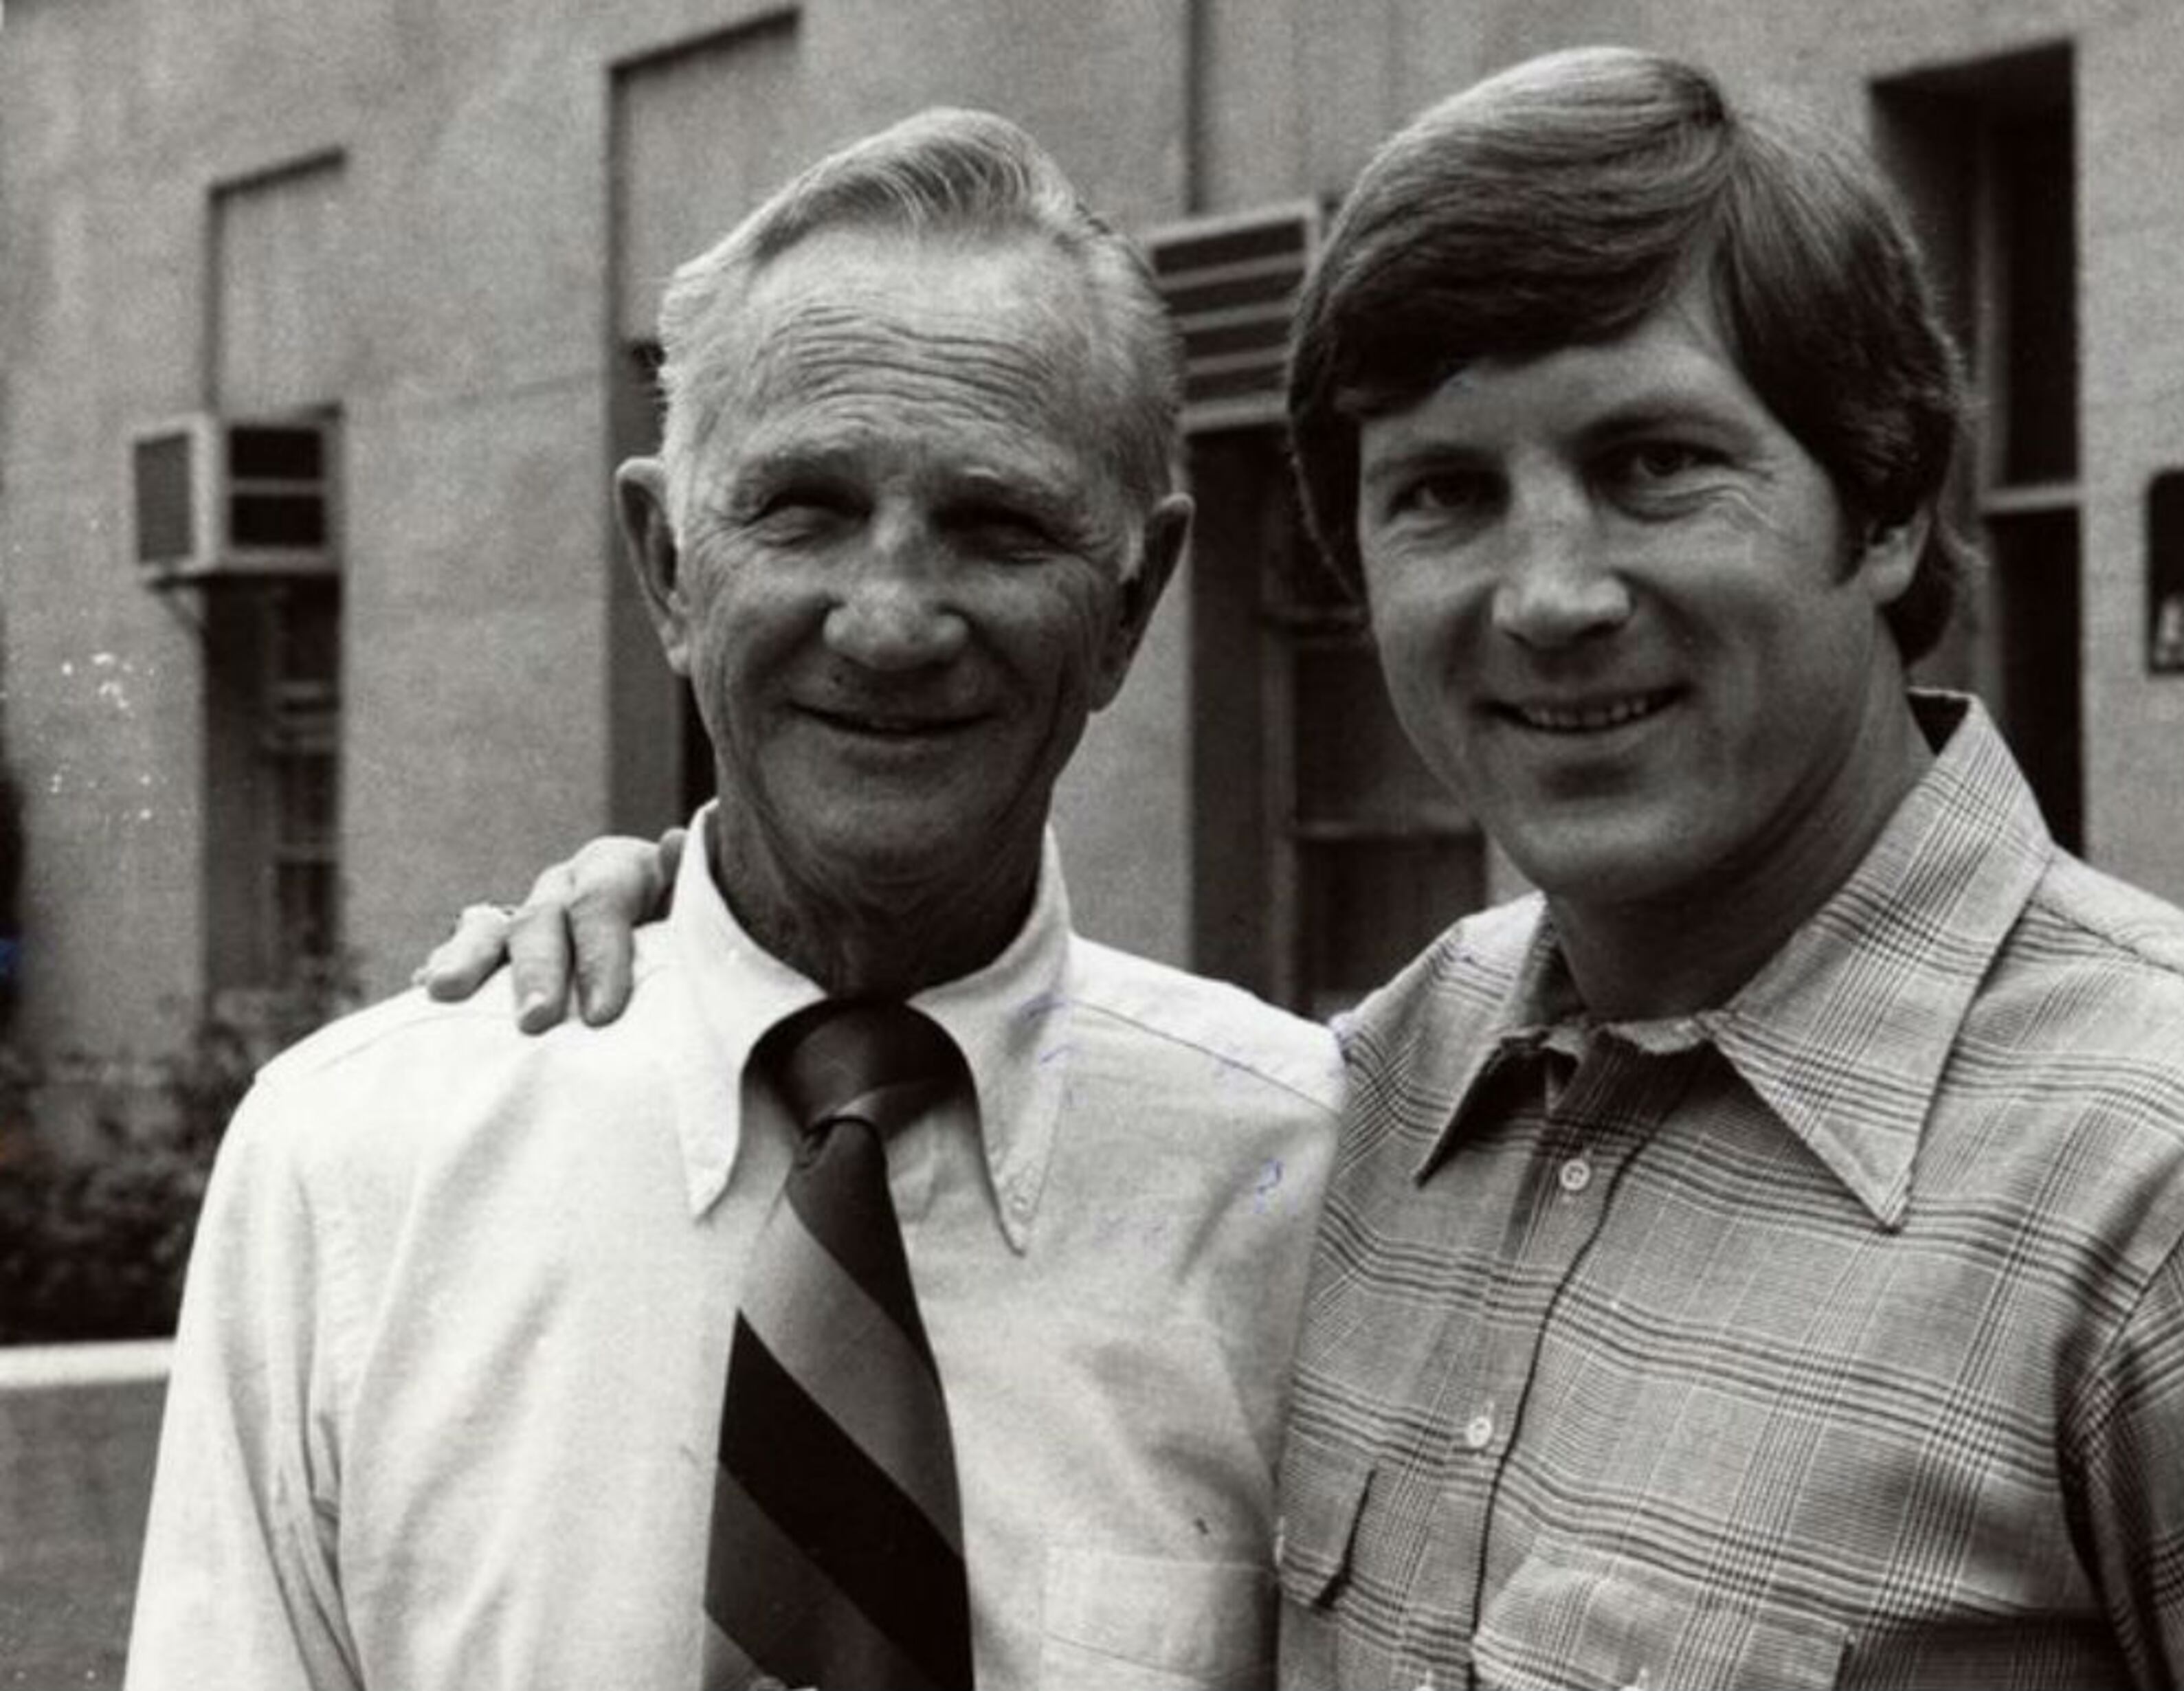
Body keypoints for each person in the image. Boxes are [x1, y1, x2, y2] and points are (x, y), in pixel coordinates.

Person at [427, 47, 2184, 1689]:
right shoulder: (1382, 1102)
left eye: (1655, 462)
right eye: (1442, 495)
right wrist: (705, 927)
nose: (1548, 592)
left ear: (1880, 507)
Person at [127, 111, 1337, 1691]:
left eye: (1000, 523)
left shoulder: (1308, 1185)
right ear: (667, 570)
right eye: (806, 509)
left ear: (1133, 603)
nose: (892, 619)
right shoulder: (350, 1166)